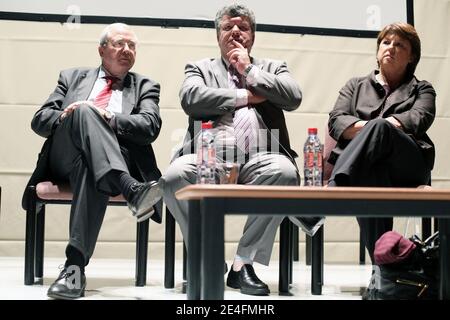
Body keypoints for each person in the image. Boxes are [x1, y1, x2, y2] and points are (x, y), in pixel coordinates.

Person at [162, 3, 323, 296]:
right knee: (173, 177)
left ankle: (242, 264)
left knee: (285, 173)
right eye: (227, 27)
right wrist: (244, 95)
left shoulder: (273, 67)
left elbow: (293, 96)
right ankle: (208, 255)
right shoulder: (200, 68)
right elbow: (191, 98)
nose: (235, 32)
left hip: (263, 155)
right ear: (217, 35)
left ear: (253, 35)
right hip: (210, 156)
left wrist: (248, 69)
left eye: (243, 28)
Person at [22, 23, 164, 299]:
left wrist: (109, 117)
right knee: (85, 112)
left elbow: (150, 126)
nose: (127, 50)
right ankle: (132, 189)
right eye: (119, 44)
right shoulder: (72, 77)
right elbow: (40, 120)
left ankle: (74, 268)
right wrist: (69, 115)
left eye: (132, 46)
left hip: (110, 159)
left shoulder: (146, 85)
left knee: (92, 165)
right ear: (101, 50)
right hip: (64, 156)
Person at [327, 22, 436, 285]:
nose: (391, 48)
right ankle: (382, 271)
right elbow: (337, 121)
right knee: (371, 172)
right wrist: (373, 132)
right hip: (366, 168)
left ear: (411, 57)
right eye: (386, 42)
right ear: (378, 51)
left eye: (400, 45)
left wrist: (373, 128)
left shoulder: (423, 89)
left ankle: (332, 191)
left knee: (381, 128)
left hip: (408, 166)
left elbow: (416, 120)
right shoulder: (355, 85)